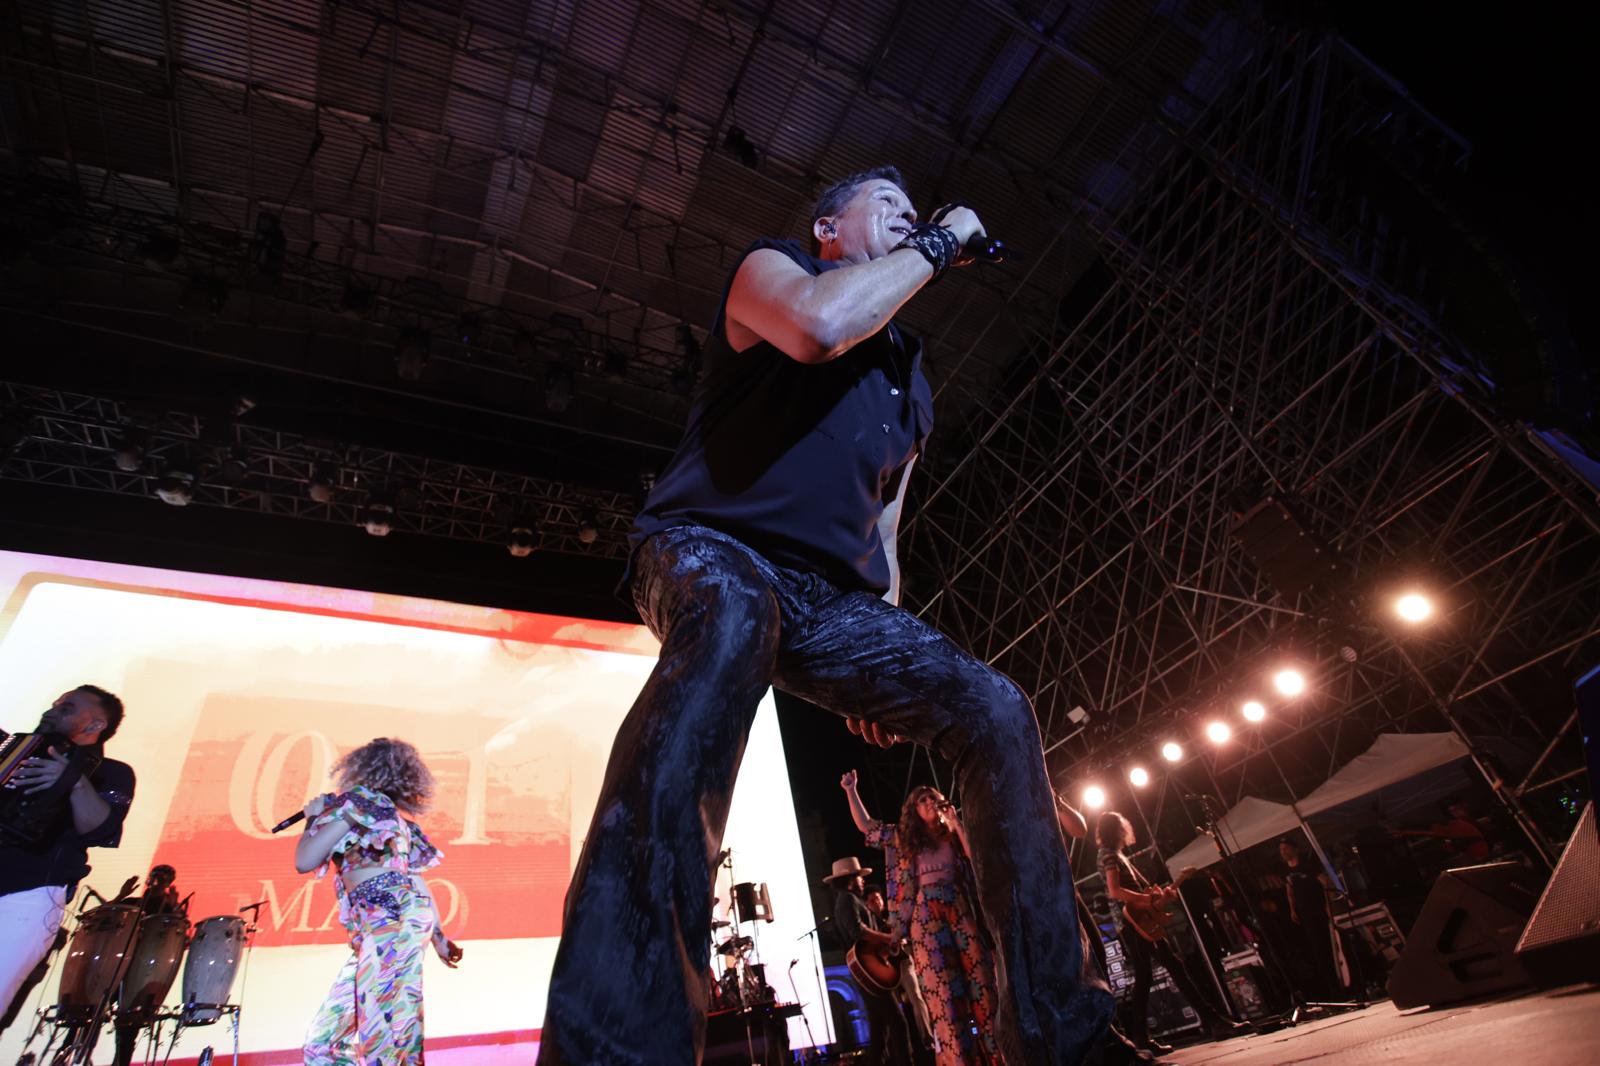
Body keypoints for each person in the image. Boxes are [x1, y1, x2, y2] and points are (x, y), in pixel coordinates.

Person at [536, 166, 1111, 1064]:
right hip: (711, 548)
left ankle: (1061, 1038)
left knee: (996, 708)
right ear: (829, 230)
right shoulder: (775, 272)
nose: (910, 218)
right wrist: (939, 240)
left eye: (917, 213)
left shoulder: (913, 381)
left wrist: (884, 657)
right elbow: (817, 330)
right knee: (735, 619)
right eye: (889, 207)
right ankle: (616, 1047)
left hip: (832, 602)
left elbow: (884, 528)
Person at [296, 738, 462, 1065]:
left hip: (389, 920)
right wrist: (439, 939)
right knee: (325, 1040)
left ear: (360, 769)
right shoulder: (390, 819)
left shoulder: (361, 802)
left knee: (384, 1037)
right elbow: (416, 881)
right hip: (389, 922)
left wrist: (312, 818)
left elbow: (305, 860)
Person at [842, 771, 1000, 1064]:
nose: (929, 802)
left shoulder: (953, 834)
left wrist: (957, 824)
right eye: (922, 800)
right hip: (924, 917)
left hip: (960, 909)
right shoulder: (903, 838)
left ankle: (996, 1055)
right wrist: (851, 791)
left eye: (933, 798)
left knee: (982, 986)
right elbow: (868, 827)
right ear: (914, 809)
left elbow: (976, 859)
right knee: (943, 992)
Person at [0, 685, 132, 1033]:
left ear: (95, 725)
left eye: (67, 708)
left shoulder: (111, 772)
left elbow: (99, 829)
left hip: (25, 898)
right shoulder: (17, 750)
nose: (53, 710)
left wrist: (72, 780)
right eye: (56, 704)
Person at [1097, 812, 1244, 1054]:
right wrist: (1147, 900)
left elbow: (1133, 890)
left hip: (1140, 920)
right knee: (1154, 973)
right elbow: (1115, 891)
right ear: (1116, 830)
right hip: (1132, 923)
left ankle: (1204, 1023)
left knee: (1162, 970)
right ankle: (1207, 1023)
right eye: (1122, 827)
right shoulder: (1109, 856)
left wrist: (1159, 896)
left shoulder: (1117, 855)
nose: (1126, 831)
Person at [827, 855, 912, 1066]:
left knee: (879, 1028)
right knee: (897, 1022)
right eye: (859, 877)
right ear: (850, 880)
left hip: (868, 971)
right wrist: (887, 938)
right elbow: (858, 931)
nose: (862, 880)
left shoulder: (850, 900)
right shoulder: (847, 899)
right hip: (868, 971)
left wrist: (890, 944)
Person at [1277, 838, 1339, 999]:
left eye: (1286, 848)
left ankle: (1339, 978)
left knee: (1330, 942)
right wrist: (1292, 909)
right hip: (1305, 913)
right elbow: (1289, 891)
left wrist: (1328, 903)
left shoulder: (1308, 865)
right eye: (1281, 850)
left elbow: (1325, 882)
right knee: (1317, 947)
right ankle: (1330, 985)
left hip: (1319, 909)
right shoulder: (1286, 872)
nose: (1283, 852)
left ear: (1294, 849)